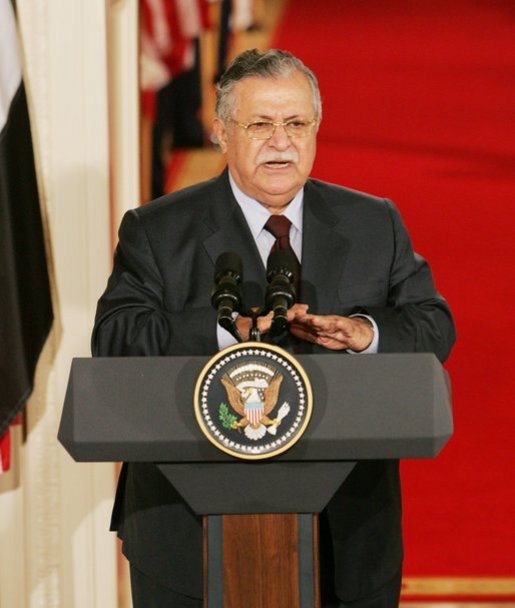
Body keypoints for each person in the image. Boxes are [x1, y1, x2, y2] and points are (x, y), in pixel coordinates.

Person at [92, 48, 455, 607]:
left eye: (296, 123)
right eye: (259, 124)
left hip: (345, 538)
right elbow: (116, 337)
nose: (281, 141)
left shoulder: (372, 221)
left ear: (316, 128)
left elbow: (434, 326)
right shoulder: (158, 230)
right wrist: (223, 332)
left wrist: (366, 333)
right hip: (189, 537)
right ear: (220, 131)